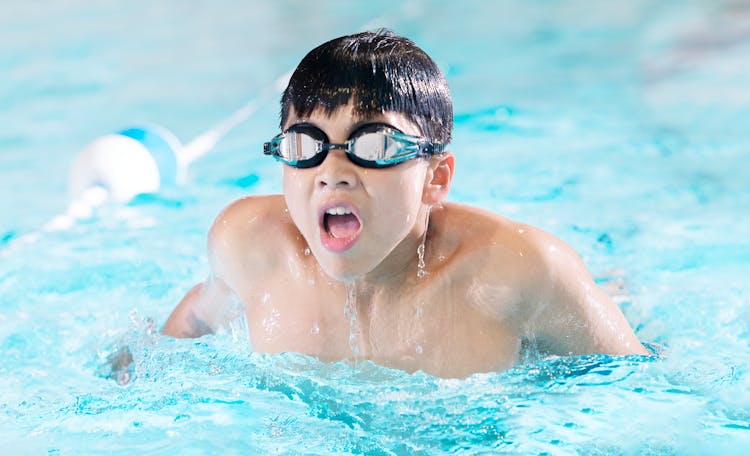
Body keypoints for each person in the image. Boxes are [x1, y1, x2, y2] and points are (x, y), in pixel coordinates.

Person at [163, 30, 648, 378]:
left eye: (372, 145)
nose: (332, 173)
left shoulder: (519, 272)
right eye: (306, 144)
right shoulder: (250, 246)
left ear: (436, 178)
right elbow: (195, 321)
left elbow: (634, 384)